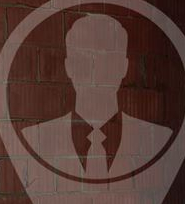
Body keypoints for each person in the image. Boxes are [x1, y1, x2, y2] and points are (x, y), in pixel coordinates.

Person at [22, 13, 172, 180]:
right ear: (68, 66)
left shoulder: (157, 139)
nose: (95, 71)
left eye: (107, 59)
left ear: (124, 66)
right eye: (83, 59)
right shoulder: (34, 140)